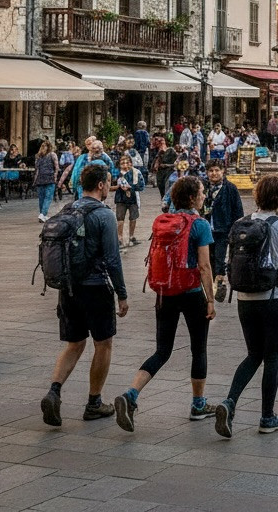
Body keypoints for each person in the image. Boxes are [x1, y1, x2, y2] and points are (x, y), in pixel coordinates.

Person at [114, 175, 215, 431]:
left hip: (164, 293)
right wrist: (210, 299)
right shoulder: (199, 224)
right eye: (202, 192)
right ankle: (198, 404)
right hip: (192, 294)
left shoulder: (163, 221)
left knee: (162, 351)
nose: (204, 196)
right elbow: (204, 266)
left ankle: (131, 394)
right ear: (192, 198)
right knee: (199, 349)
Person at [41, 162, 129, 427]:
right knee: (103, 344)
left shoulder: (68, 209)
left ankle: (54, 391)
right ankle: (94, 402)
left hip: (68, 288)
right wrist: (122, 295)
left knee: (74, 344)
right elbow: (113, 259)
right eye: (108, 183)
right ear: (101, 185)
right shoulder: (104, 215)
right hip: (96, 288)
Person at [215, 175, 278, 437]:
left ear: (257, 197)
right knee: (273, 356)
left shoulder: (242, 223)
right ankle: (267, 416)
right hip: (275, 298)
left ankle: (230, 401)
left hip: (245, 299)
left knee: (254, 354)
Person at [202, 159, 244, 300]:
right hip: (206, 229)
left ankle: (220, 283)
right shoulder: (203, 187)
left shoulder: (230, 188)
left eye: (217, 170)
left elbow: (238, 211)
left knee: (220, 257)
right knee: (208, 257)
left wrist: (236, 230)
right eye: (211, 171)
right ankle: (211, 283)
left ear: (223, 171)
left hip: (223, 229)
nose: (214, 173)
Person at [114, 154, 145, 247]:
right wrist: (119, 186)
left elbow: (141, 186)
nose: (125, 165)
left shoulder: (136, 172)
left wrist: (130, 187)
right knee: (120, 218)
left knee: (133, 217)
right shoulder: (117, 173)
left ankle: (131, 236)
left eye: (127, 162)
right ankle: (119, 238)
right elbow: (112, 183)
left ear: (131, 163)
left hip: (133, 198)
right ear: (119, 164)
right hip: (120, 198)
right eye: (122, 163)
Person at [33, 140, 60, 222]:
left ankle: (42, 214)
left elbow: (37, 170)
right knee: (48, 197)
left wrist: (35, 180)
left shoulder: (38, 156)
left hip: (40, 179)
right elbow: (56, 166)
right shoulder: (52, 154)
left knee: (41, 198)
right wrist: (55, 176)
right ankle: (42, 214)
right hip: (49, 178)